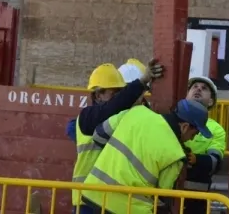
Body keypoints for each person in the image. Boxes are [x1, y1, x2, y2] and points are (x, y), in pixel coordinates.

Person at [80, 99, 213, 214]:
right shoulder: (176, 154)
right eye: (193, 134)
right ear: (185, 127)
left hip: (95, 194)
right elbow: (162, 196)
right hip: (130, 209)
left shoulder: (136, 112)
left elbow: (98, 136)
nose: (191, 139)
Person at [69, 61, 164, 213]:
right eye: (114, 93)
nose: (118, 97)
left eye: (120, 92)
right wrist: (142, 82)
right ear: (98, 95)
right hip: (88, 199)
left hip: (112, 201)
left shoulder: (118, 118)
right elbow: (114, 107)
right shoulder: (88, 116)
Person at [182, 76, 227, 214]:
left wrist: (195, 159)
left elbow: (215, 162)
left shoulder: (216, 130)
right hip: (166, 195)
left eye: (204, 88)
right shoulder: (175, 118)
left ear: (211, 101)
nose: (198, 89)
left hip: (196, 200)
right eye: (195, 87)